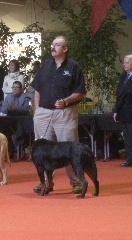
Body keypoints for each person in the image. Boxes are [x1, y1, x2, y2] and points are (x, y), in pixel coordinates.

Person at [31, 36, 86, 195]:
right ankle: (46, 183)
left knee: (69, 149)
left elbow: (80, 92)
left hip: (65, 114)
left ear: (65, 49)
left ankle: (77, 182)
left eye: (57, 45)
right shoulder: (45, 66)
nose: (53, 47)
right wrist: (37, 111)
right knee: (42, 151)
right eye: (52, 44)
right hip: (43, 113)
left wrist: (67, 101)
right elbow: (37, 89)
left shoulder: (74, 67)